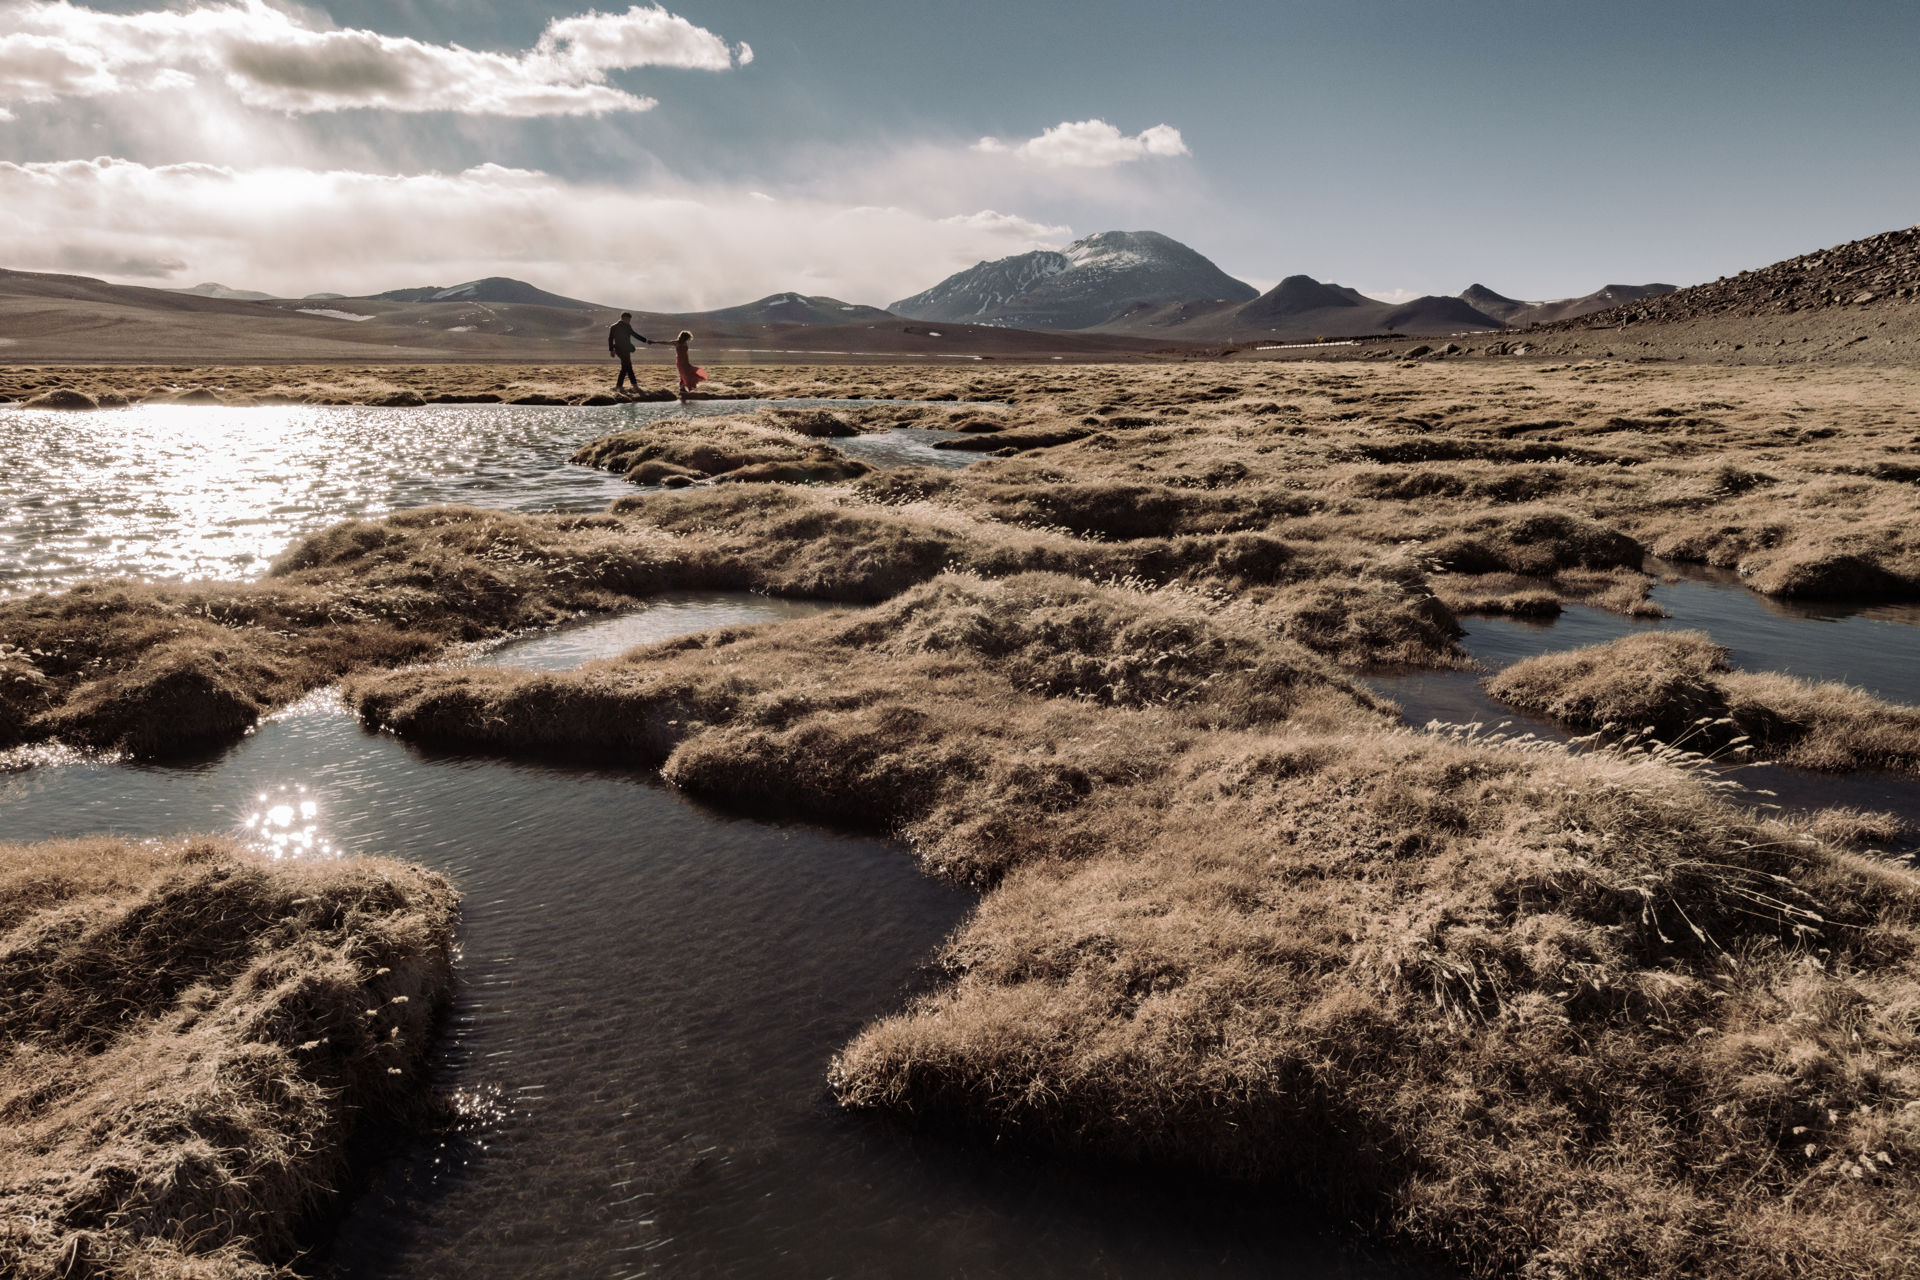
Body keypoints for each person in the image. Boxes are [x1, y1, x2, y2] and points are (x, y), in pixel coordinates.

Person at [608, 313, 649, 395]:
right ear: (623, 318)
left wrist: (645, 340)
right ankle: (627, 386)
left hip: (624, 350)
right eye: (628, 320)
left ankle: (626, 386)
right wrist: (611, 350)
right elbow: (610, 339)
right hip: (621, 350)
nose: (629, 321)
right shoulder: (616, 326)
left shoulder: (624, 326)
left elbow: (634, 334)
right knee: (627, 367)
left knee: (627, 367)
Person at [671, 330, 706, 402]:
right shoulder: (676, 342)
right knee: (684, 374)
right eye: (687, 338)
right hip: (680, 361)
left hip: (685, 360)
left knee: (687, 373)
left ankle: (682, 389)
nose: (688, 339)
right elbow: (664, 342)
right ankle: (682, 389)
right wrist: (653, 342)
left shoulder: (685, 342)